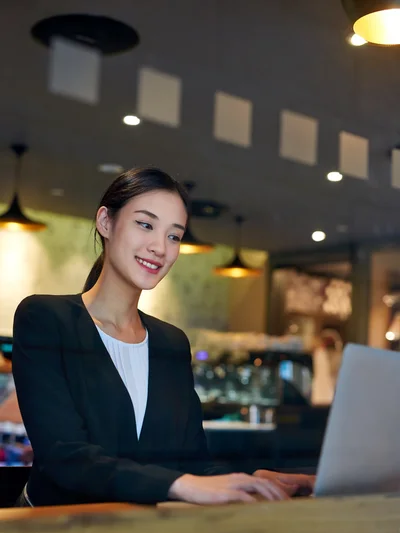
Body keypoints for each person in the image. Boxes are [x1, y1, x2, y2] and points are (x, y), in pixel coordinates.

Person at [12, 167, 314, 507]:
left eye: (174, 236)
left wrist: (254, 480)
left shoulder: (171, 342)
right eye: (145, 224)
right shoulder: (45, 318)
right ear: (106, 222)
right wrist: (182, 485)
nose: (160, 247)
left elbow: (190, 464)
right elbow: (64, 457)